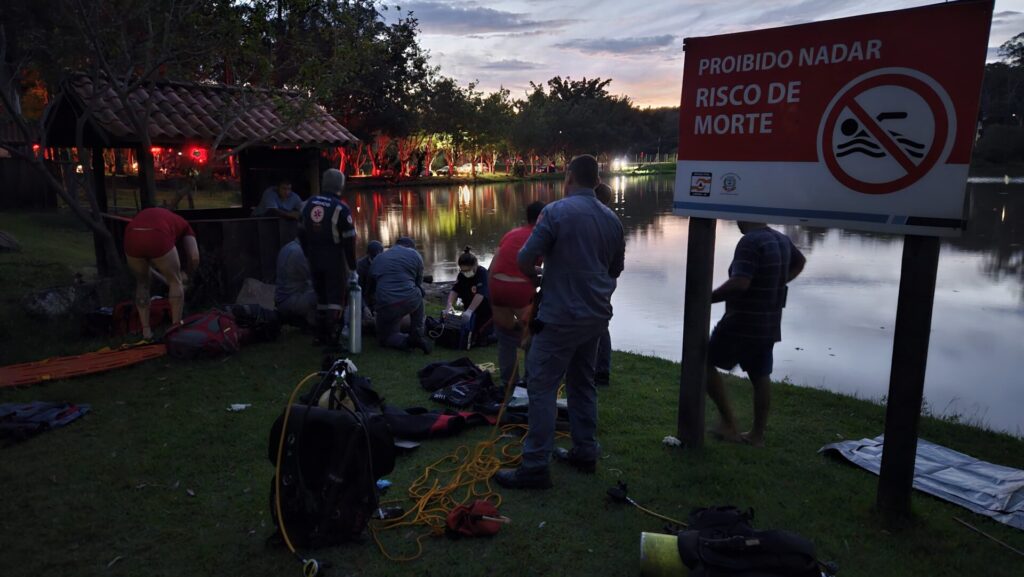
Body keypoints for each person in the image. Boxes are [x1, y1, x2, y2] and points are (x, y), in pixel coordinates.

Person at [494, 155, 625, 490]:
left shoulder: (555, 212)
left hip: (559, 317)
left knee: (541, 387)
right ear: (597, 181)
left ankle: (535, 465)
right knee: (583, 384)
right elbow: (615, 269)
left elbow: (525, 258)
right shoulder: (612, 219)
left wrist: (538, 275)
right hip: (596, 316)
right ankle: (585, 451)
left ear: (568, 177)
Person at [706, 221, 806, 447]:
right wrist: (779, 281)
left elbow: (740, 283)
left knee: (702, 363)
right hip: (769, 321)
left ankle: (728, 423)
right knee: (760, 376)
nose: (737, 222)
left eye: (739, 217)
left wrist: (707, 296)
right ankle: (757, 435)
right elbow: (800, 262)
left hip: (742, 321)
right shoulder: (780, 239)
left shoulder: (750, 242)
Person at [297, 169, 357, 350]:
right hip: (334, 259)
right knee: (335, 300)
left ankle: (319, 336)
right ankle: (332, 340)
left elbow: (300, 232)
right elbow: (349, 241)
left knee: (321, 297)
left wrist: (308, 253)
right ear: (340, 185)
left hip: (314, 258)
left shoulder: (307, 204)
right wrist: (353, 269)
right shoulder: (341, 208)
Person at [488, 201, 545, 386]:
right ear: (542, 218)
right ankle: (530, 380)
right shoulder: (541, 236)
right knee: (532, 336)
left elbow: (494, 264)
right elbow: (544, 269)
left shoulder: (510, 234)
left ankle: (508, 381)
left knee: (505, 338)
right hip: (519, 289)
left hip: (496, 285)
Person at [123, 207, 200, 339]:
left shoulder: (164, 217)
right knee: (175, 282)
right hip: (158, 235)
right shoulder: (186, 226)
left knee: (142, 283)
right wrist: (188, 275)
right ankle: (175, 330)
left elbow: (151, 267)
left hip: (131, 235)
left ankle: (146, 332)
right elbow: (194, 257)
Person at [369, 237, 432, 354]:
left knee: (384, 338)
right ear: (411, 247)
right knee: (418, 293)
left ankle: (406, 341)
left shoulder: (378, 258)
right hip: (409, 301)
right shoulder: (415, 255)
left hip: (385, 303)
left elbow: (374, 282)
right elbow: (417, 284)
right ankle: (417, 333)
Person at [445, 246, 493, 346]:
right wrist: (449, 305)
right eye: (463, 271)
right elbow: (455, 290)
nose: (466, 273)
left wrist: (470, 310)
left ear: (475, 265)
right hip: (469, 310)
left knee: (479, 339)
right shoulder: (462, 275)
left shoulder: (482, 273)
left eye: (468, 270)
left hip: (486, 312)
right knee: (462, 334)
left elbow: (480, 294)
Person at [594, 183, 615, 387]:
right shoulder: (613, 220)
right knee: (600, 323)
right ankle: (600, 370)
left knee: (598, 325)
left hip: (599, 277)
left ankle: (600, 370)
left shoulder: (597, 220)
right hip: (608, 278)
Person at [274, 238, 317, 327]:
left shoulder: (289, 247)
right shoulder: (299, 252)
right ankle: (313, 324)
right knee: (323, 294)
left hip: (283, 298)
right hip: (289, 300)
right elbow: (315, 277)